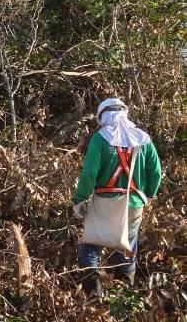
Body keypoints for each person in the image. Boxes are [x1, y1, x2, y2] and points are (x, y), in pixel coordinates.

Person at [74, 98, 162, 296]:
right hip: (134, 204)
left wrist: (80, 198)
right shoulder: (144, 139)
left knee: (91, 247)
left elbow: (89, 174)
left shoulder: (100, 138)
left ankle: (94, 296)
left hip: (104, 204)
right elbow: (156, 173)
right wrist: (149, 195)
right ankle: (124, 300)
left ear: (103, 116)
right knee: (126, 249)